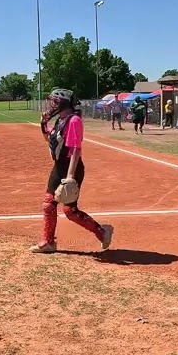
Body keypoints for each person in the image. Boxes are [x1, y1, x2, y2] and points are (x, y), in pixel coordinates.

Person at [32, 89, 114, 254]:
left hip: (72, 168)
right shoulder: (61, 120)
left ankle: (102, 231)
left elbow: (75, 149)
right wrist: (43, 124)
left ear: (64, 103)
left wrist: (70, 177)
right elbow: (50, 139)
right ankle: (48, 242)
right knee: (48, 204)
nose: (52, 105)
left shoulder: (74, 121)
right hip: (59, 167)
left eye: (55, 101)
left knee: (70, 211)